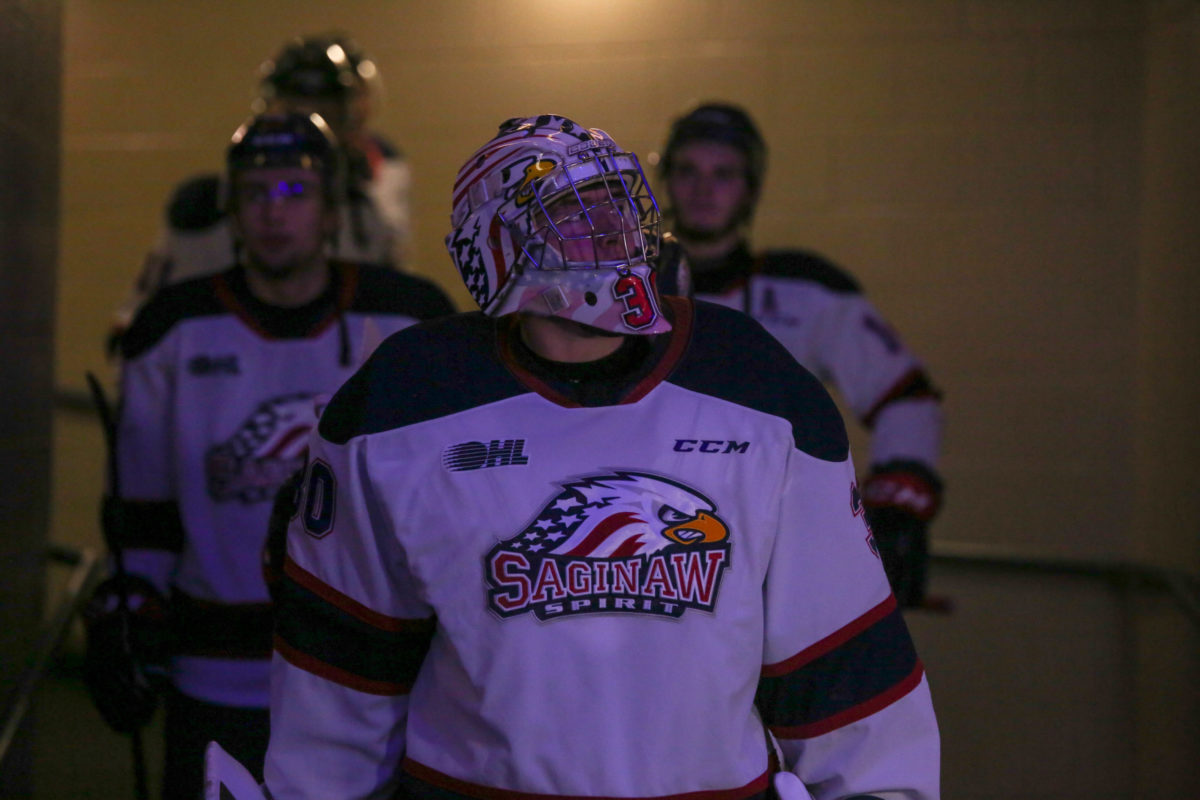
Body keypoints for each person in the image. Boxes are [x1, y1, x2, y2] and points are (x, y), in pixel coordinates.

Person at [262, 114, 939, 800]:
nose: (612, 231)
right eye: (572, 212)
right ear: (496, 244)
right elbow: (339, 686)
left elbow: (849, 676)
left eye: (618, 203)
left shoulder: (760, 387)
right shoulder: (403, 402)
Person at [81, 111, 454, 800]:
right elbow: (143, 514)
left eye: (293, 193)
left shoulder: (410, 319)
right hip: (215, 670)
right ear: (231, 208)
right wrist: (126, 613)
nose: (272, 213)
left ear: (332, 210)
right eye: (255, 193)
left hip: (371, 672)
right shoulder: (172, 328)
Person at [657, 102, 944, 608]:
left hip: (780, 558)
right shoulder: (619, 287)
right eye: (688, 171)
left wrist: (898, 506)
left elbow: (907, 397)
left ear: (750, 188)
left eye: (723, 173)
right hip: (651, 545)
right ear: (668, 180)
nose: (704, 188)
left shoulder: (808, 290)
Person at [110, 32, 413, 351]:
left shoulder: (365, 211)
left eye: (325, 111)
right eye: (256, 194)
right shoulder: (204, 210)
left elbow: (389, 310)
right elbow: (140, 326)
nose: (275, 212)